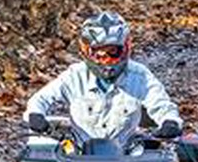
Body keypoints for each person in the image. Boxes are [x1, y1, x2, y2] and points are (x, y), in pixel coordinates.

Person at [23, 11, 184, 146]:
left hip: (126, 158)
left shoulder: (140, 76)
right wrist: (36, 115)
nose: (106, 59)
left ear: (126, 48)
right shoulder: (75, 75)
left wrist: (170, 121)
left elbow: (161, 104)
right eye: (99, 53)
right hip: (80, 157)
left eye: (113, 52)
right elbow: (40, 99)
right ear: (87, 51)